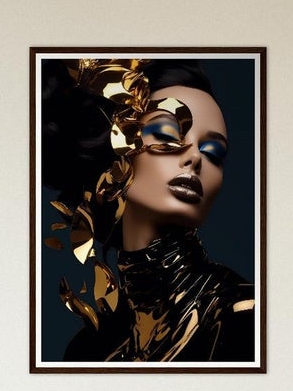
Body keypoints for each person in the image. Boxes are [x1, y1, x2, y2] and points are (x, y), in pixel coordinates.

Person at [40, 57, 256, 364]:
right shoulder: (90, 349)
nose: (195, 157)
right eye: (168, 134)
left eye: (213, 152)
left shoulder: (244, 317)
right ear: (116, 147)